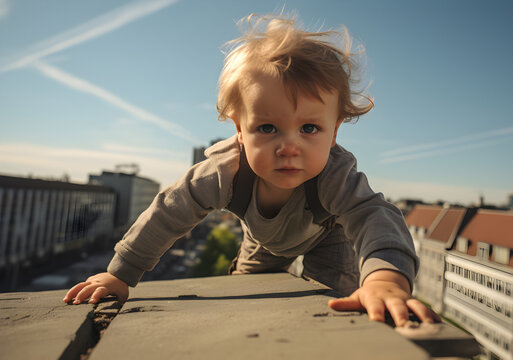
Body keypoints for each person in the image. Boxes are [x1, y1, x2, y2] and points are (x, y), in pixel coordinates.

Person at [64, 14, 440, 327]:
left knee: (335, 304)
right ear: (239, 130)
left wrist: (386, 280)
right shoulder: (225, 172)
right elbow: (168, 212)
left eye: (310, 128)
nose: (289, 146)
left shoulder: (334, 176)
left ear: (335, 131)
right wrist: (121, 273)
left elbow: (375, 217)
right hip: (262, 241)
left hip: (330, 239)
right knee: (244, 295)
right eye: (267, 128)